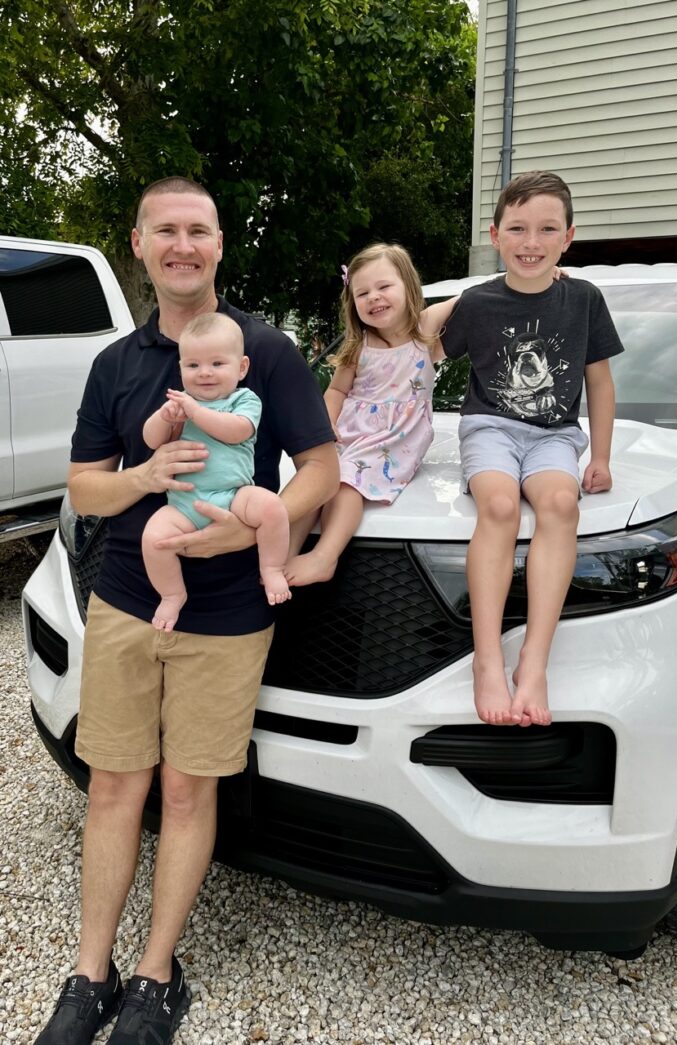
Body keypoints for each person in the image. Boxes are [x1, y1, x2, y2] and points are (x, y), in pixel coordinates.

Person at [35, 177, 338, 1045]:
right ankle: (88, 973)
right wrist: (142, 479)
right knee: (114, 785)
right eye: (164, 230)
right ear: (138, 244)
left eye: (197, 230)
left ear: (217, 243)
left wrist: (253, 540)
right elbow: (86, 485)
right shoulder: (117, 366)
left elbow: (319, 464)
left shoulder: (264, 349)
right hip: (129, 601)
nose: (182, 245)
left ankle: (154, 974)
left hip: (232, 615)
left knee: (187, 785)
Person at [440, 170, 623, 728]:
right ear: (495, 235)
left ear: (568, 237)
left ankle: (535, 663)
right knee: (497, 506)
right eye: (517, 229)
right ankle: (487, 659)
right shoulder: (476, 302)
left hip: (555, 436)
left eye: (546, 229)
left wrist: (601, 457)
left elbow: (600, 381)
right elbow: (418, 351)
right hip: (489, 427)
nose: (531, 242)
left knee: (561, 505)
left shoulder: (584, 299)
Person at [285, 243, 454, 586]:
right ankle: (280, 556)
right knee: (312, 482)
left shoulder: (425, 328)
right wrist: (324, 428)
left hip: (394, 441)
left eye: (384, 287)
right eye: (362, 292)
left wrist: (532, 276)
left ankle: (323, 556)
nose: (374, 297)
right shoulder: (358, 344)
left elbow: (472, 298)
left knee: (346, 482)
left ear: (409, 286)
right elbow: (336, 392)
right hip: (350, 433)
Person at [142, 312, 290, 631]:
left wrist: (194, 412)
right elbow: (151, 441)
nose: (205, 373)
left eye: (217, 364)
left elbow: (236, 431)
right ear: (180, 368)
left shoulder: (244, 399)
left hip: (234, 495)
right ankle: (171, 595)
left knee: (272, 507)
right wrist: (165, 418)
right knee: (153, 539)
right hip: (184, 502)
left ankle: (273, 567)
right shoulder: (182, 405)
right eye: (193, 365)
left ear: (241, 368)